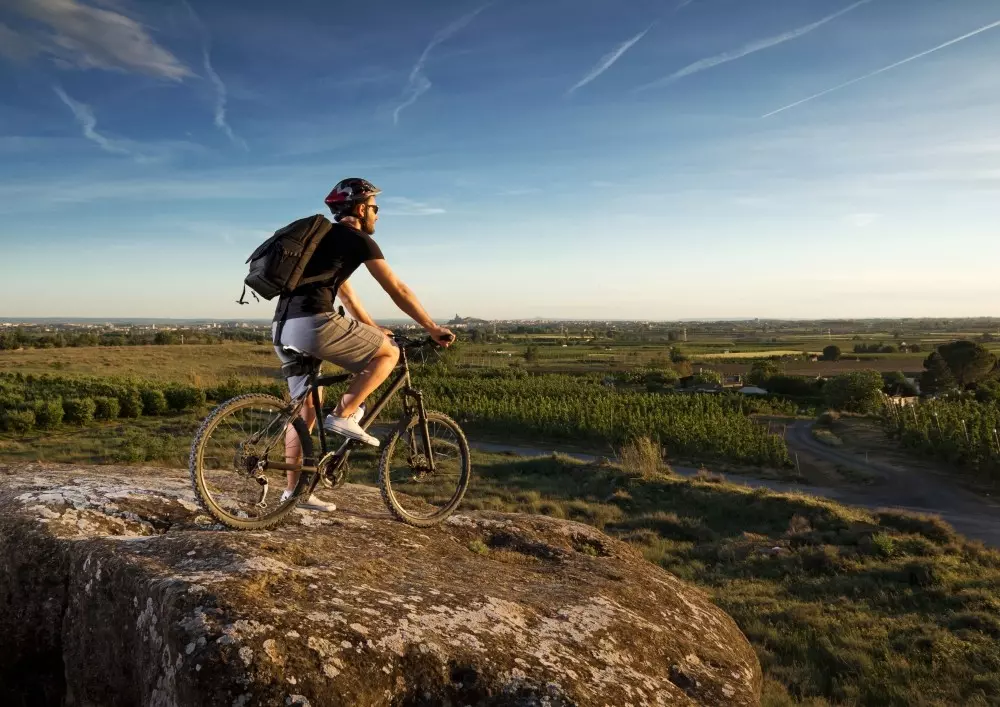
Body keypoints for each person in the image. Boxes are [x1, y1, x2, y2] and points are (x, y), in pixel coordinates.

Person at [272, 177, 455, 511]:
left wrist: (372, 328)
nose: (377, 214)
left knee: (305, 411)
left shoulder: (320, 240)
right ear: (360, 209)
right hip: (314, 323)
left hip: (283, 328)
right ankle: (344, 414)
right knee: (389, 353)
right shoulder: (357, 239)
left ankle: (293, 493)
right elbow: (397, 288)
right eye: (374, 207)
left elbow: (347, 296)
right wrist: (430, 327)